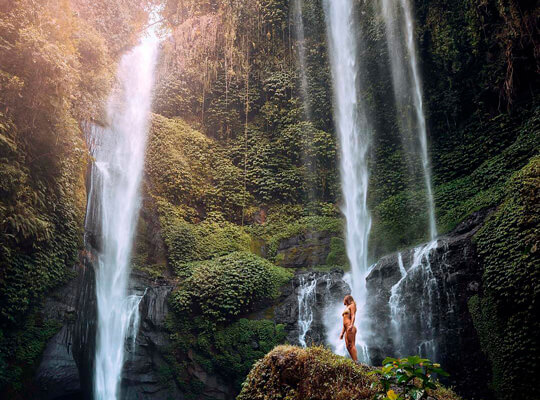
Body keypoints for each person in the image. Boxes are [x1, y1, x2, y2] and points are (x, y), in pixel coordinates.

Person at [339, 294, 358, 362]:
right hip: (346, 328)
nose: (343, 300)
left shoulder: (352, 305)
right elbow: (344, 323)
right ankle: (354, 360)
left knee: (352, 344)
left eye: (344, 299)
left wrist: (351, 325)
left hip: (350, 327)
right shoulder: (346, 308)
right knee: (348, 346)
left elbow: (353, 315)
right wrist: (342, 333)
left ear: (347, 299)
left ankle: (356, 362)